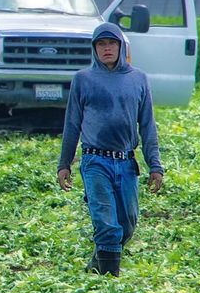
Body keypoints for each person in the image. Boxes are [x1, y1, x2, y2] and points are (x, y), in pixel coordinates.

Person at [57, 22, 163, 277]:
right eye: (101, 44)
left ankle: (98, 262)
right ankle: (108, 283)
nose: (107, 49)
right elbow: (72, 124)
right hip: (95, 161)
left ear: (121, 47)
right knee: (106, 222)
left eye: (112, 43)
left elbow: (147, 125)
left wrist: (155, 165)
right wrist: (64, 164)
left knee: (126, 224)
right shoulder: (83, 80)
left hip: (126, 163)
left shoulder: (138, 79)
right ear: (94, 49)